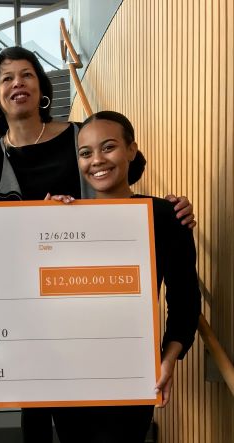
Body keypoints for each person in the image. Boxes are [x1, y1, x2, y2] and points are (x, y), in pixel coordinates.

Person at [0, 47, 196, 442]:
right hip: (35, 321)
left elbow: (122, 188)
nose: (17, 83)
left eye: (26, 74)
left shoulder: (80, 134)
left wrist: (168, 210)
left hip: (108, 322)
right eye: (6, 78)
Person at [45, 110, 201, 442]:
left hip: (132, 373)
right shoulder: (62, 218)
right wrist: (39, 226)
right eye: (85, 153)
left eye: (109, 147)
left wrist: (168, 359)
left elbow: (186, 301)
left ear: (131, 150)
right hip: (69, 374)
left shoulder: (167, 216)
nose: (97, 160)